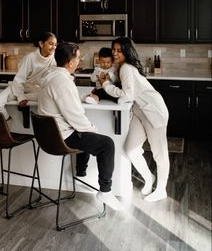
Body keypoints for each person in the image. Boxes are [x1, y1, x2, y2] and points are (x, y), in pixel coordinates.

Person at [38, 41, 124, 211]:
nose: (79, 61)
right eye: (78, 58)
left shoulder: (52, 76)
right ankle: (105, 191)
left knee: (86, 133)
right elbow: (75, 117)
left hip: (48, 135)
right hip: (61, 138)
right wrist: (94, 128)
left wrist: (85, 96)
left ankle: (81, 171)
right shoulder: (62, 81)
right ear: (70, 63)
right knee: (106, 144)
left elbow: (68, 99)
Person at [99, 37, 170, 202]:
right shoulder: (122, 67)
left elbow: (126, 96)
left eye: (119, 50)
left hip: (154, 111)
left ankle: (161, 190)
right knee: (130, 149)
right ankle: (149, 178)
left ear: (127, 51)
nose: (115, 53)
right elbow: (126, 90)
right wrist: (108, 81)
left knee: (160, 153)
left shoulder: (126, 68)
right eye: (113, 50)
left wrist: (105, 86)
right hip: (140, 110)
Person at [0, 31, 57, 120]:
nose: (53, 47)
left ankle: (16, 97)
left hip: (36, 90)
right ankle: (8, 120)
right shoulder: (30, 58)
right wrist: (20, 96)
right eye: (51, 44)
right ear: (41, 44)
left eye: (55, 45)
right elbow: (19, 79)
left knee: (50, 99)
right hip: (18, 86)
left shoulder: (54, 59)